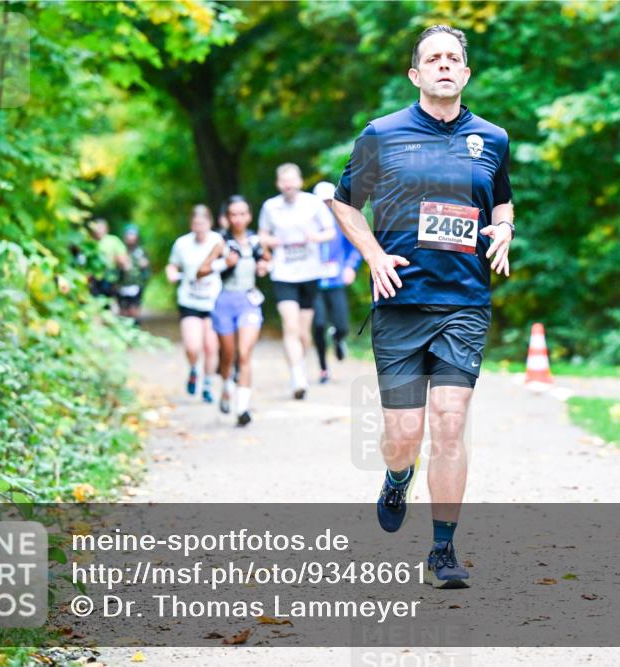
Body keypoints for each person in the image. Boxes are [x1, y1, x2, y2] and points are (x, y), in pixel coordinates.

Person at [330, 25, 514, 589]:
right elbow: (344, 204)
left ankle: (443, 550)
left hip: (464, 302)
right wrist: (373, 255)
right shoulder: (381, 134)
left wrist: (505, 230)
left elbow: (502, 200)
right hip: (401, 300)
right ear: (415, 74)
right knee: (404, 435)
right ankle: (396, 477)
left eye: (453, 58)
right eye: (433, 58)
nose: (444, 65)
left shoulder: (492, 138)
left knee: (450, 423)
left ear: (466, 73)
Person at [257, 163, 336, 400]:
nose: (288, 185)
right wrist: (271, 242)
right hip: (283, 273)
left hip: (309, 273)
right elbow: (262, 235)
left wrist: (315, 237)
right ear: (278, 184)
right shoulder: (270, 207)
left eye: (292, 180)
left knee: (303, 333)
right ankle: (297, 376)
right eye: (284, 181)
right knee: (290, 327)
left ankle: (299, 366)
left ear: (300, 181)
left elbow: (330, 231)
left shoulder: (313, 203)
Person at [200, 195, 270, 427]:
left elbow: (267, 261)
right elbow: (201, 271)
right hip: (225, 302)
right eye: (233, 214)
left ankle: (242, 408)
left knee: (244, 353)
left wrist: (263, 267)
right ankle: (227, 385)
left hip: (249, 301)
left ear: (249, 216)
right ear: (227, 218)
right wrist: (224, 263)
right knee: (228, 355)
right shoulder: (221, 243)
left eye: (242, 213)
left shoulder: (256, 241)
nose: (238, 218)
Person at [165, 205, 227, 403]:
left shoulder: (218, 241)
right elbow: (172, 265)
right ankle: (193, 369)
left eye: (203, 223)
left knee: (211, 346)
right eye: (196, 223)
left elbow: (230, 262)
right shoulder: (182, 244)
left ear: (210, 223)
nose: (199, 227)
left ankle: (207, 384)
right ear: (191, 224)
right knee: (193, 346)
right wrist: (171, 274)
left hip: (213, 301)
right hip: (189, 300)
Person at [310, 181, 361, 384]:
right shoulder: (307, 223)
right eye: (322, 202)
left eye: (329, 202)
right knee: (319, 324)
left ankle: (338, 338)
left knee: (342, 325)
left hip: (336, 280)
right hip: (313, 282)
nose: (326, 206)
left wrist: (350, 267)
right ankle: (323, 369)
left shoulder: (341, 222)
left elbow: (355, 247)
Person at [87, 218, 129, 300]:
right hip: (93, 277)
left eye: (101, 228)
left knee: (109, 298)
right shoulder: (89, 242)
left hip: (110, 275)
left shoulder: (113, 240)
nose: (99, 230)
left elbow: (123, 258)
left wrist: (117, 261)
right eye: (97, 228)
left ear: (106, 229)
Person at [117, 224, 150, 325]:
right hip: (122, 284)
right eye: (129, 234)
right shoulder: (121, 250)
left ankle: (135, 328)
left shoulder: (141, 251)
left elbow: (147, 267)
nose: (131, 237)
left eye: (133, 234)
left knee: (134, 309)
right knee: (123, 311)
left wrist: (144, 265)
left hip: (137, 284)